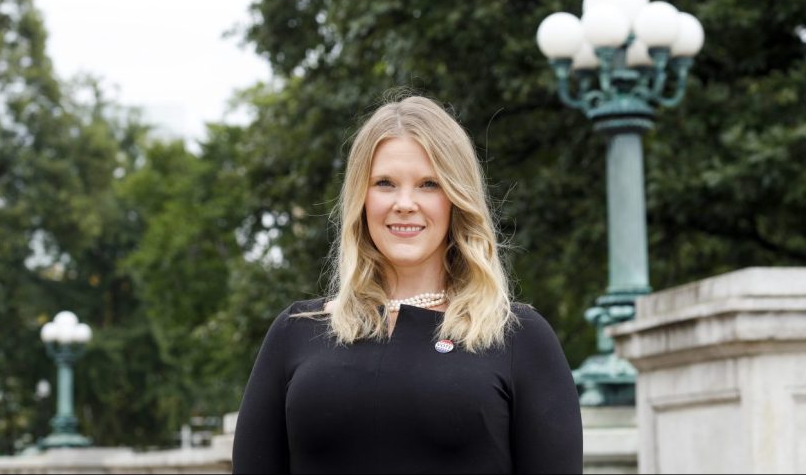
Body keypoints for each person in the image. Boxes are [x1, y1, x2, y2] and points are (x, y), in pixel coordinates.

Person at [232, 95, 582, 474]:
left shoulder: (519, 338)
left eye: (428, 184)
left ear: (455, 198)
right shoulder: (295, 332)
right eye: (385, 183)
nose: (404, 203)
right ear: (360, 198)